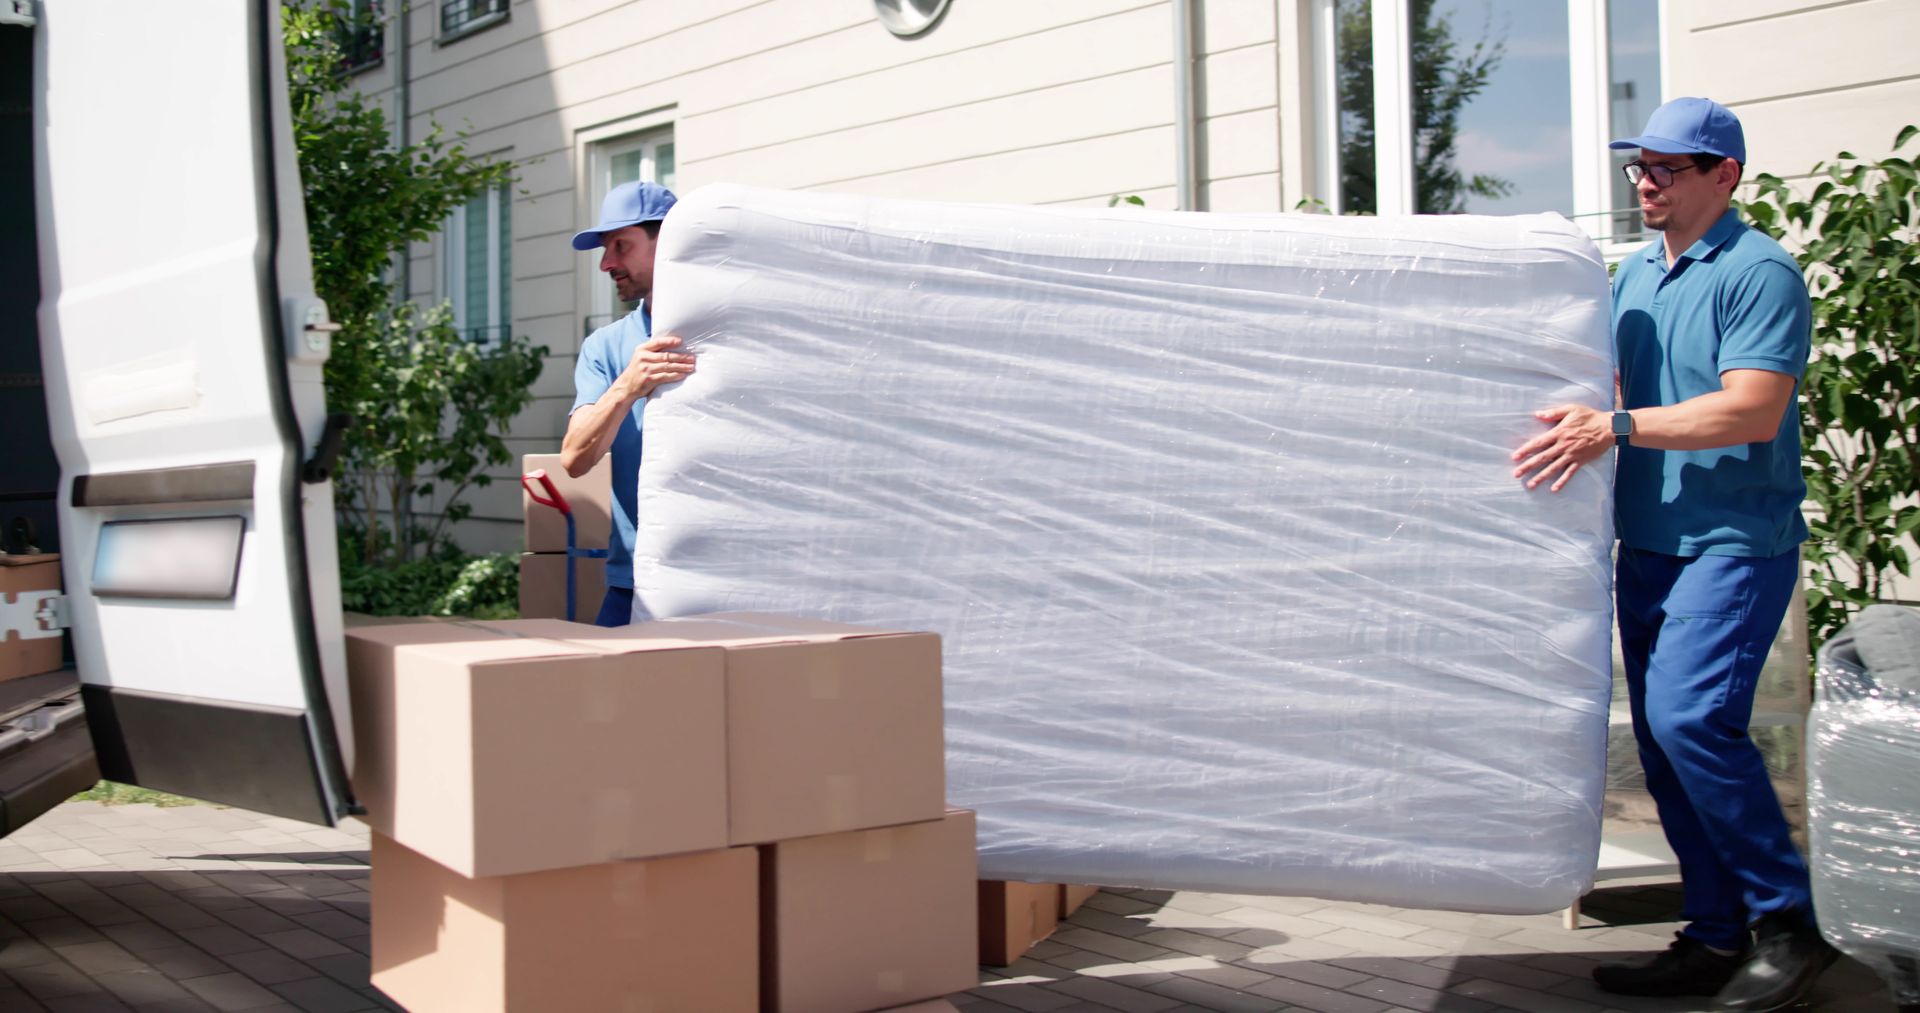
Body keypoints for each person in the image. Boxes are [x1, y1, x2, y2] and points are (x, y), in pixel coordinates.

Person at [1512, 97, 1836, 1011]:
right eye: (1640, 166)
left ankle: (1788, 926)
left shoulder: (1759, 271)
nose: (1646, 181)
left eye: (1668, 166)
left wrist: (1613, 426)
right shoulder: (1635, 279)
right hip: (1648, 544)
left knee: (1693, 718)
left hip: (1732, 543)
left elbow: (1751, 408)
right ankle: (1716, 930)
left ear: (1724, 175)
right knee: (1662, 743)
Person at [560, 181, 696, 626]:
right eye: (605, 248)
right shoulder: (605, 348)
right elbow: (576, 459)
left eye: (621, 245)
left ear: (669, 243)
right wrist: (627, 387)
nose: (606, 263)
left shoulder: (723, 334)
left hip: (722, 576)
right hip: (632, 581)